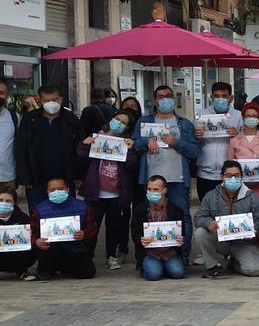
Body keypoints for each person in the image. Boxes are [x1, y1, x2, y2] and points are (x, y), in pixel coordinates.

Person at [131, 86, 199, 261]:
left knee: (182, 217)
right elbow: (133, 145)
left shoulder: (185, 124)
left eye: (169, 96)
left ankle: (182, 256)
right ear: (155, 100)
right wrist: (146, 141)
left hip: (177, 178)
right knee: (148, 217)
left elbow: (194, 151)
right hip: (151, 180)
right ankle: (149, 256)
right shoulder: (144, 122)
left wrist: (177, 142)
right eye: (161, 97)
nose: (165, 99)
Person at [77, 108, 137, 270]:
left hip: (115, 194)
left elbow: (132, 165)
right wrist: (85, 144)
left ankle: (111, 256)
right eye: (117, 119)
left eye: (123, 123)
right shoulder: (97, 137)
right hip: (95, 193)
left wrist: (130, 149)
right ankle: (87, 256)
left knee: (113, 228)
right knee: (91, 227)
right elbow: (80, 158)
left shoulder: (126, 142)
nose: (119, 123)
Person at [193, 160, 259, 278]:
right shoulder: (211, 196)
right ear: (222, 177)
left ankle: (234, 263)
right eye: (228, 176)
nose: (233, 179)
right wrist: (208, 222)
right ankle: (213, 266)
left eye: (236, 175)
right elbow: (198, 217)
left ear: (241, 177)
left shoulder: (252, 197)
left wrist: (252, 230)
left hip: (244, 242)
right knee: (201, 233)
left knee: (255, 270)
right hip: (221, 241)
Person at [15, 85, 83, 209]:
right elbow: (21, 149)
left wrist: (78, 176)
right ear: (40, 101)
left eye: (55, 99)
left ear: (61, 100)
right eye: (47, 100)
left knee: (66, 216)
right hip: (36, 180)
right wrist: (25, 177)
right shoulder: (30, 120)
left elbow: (78, 149)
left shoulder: (71, 119)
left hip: (65, 179)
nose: (51, 103)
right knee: (38, 216)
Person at [30, 176, 97, 280]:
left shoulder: (82, 206)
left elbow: (92, 227)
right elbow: (32, 231)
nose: (56, 192)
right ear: (47, 192)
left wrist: (84, 233)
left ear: (68, 189)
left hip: (74, 249)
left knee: (87, 273)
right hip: (50, 250)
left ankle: (66, 267)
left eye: (60, 189)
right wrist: (36, 241)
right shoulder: (39, 209)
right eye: (52, 190)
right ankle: (47, 269)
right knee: (46, 265)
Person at [131, 175, 188, 281]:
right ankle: (150, 266)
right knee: (154, 274)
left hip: (169, 251)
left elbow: (182, 232)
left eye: (156, 189)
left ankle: (164, 266)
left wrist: (180, 239)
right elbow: (134, 232)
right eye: (149, 189)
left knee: (178, 273)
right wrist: (140, 239)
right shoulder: (139, 209)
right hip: (149, 252)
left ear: (164, 190)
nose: (151, 192)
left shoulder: (176, 209)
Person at [194, 82, 242, 201]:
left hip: (228, 173)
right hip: (205, 172)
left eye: (224, 96)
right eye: (216, 96)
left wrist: (237, 136)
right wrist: (197, 136)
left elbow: (244, 142)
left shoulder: (238, 116)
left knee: (228, 209)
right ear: (211, 97)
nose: (220, 99)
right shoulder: (201, 115)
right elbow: (193, 143)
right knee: (206, 207)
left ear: (231, 98)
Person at [226, 102, 259, 204]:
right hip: (238, 186)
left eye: (254, 116)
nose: (251, 118)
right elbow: (228, 164)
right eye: (248, 116)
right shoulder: (234, 141)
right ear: (243, 118)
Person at [0, 187, 35, 279]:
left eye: (8, 201)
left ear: (14, 203)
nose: (3, 203)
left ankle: (22, 271)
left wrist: (30, 235)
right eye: (1, 200)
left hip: (17, 255)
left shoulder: (23, 218)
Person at [0, 80, 18, 193]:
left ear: (6, 95)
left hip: (7, 178)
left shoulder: (14, 117)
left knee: (8, 210)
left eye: (1, 92)